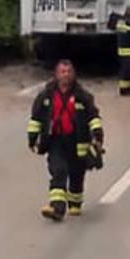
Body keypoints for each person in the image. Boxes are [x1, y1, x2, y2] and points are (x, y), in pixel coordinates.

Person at [27, 60, 104, 221]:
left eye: (69, 71)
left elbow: (93, 117)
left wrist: (97, 136)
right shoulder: (46, 96)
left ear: (73, 74)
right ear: (56, 74)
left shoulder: (83, 96)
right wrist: (32, 138)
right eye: (62, 72)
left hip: (78, 141)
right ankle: (57, 207)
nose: (66, 75)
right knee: (58, 170)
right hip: (55, 140)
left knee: (76, 173)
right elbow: (36, 118)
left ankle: (75, 203)